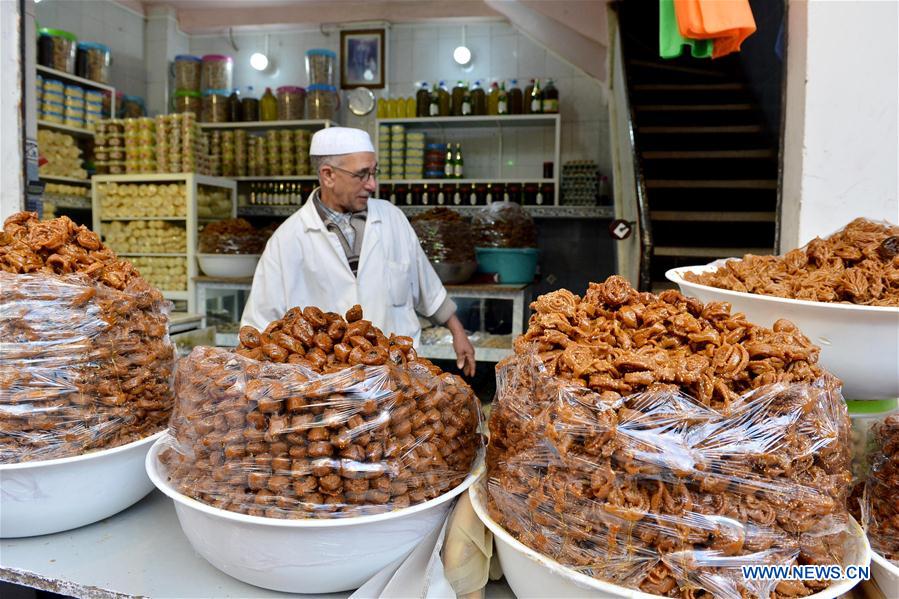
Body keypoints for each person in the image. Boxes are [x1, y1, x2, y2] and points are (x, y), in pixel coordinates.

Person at [242, 126, 476, 376]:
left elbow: (428, 289)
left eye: (374, 173)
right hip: (327, 385)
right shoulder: (288, 239)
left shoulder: (392, 219)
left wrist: (458, 333)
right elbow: (259, 325)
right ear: (328, 175)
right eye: (362, 175)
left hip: (397, 375)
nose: (372, 184)